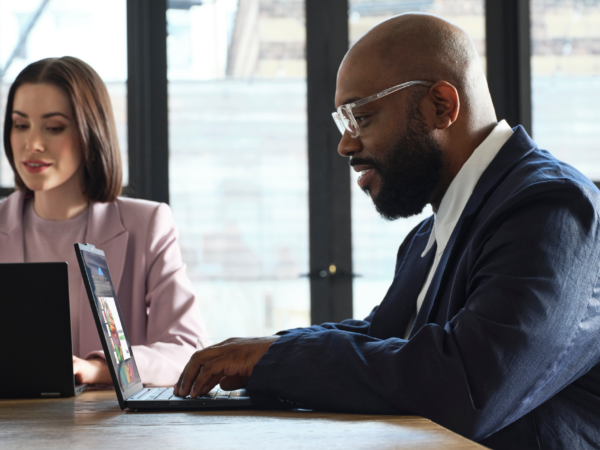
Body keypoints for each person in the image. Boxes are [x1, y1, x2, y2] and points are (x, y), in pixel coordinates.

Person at [173, 13, 600, 449]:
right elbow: (383, 340)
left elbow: (470, 385)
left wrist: (276, 357)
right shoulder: (427, 237)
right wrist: (262, 351)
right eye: (344, 122)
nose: (345, 144)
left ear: (441, 106)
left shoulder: (552, 207)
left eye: (361, 116)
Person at [0, 56, 208, 386]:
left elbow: (186, 351)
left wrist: (99, 368)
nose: (32, 144)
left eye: (53, 127)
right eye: (20, 124)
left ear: (90, 133)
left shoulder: (147, 224)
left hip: (110, 430)